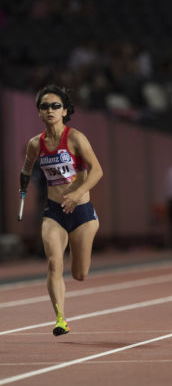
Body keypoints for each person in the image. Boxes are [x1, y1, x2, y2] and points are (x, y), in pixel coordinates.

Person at [20, 84, 103, 335]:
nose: (50, 110)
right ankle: (60, 318)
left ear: (65, 110)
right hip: (54, 212)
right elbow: (26, 168)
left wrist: (76, 194)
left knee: (79, 274)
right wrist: (23, 184)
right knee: (54, 263)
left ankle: (76, 273)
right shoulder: (35, 144)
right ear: (39, 112)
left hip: (81, 213)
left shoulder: (76, 138)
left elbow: (97, 171)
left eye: (55, 106)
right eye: (44, 106)